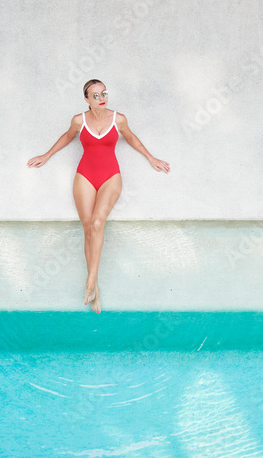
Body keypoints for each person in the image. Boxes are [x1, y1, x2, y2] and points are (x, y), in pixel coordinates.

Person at [27, 79, 170, 313]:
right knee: (87, 229)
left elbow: (131, 138)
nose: (101, 98)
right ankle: (96, 290)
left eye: (104, 93)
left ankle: (90, 281)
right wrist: (47, 154)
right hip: (85, 175)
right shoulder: (78, 120)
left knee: (97, 223)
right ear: (86, 99)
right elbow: (67, 136)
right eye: (95, 95)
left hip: (110, 176)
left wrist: (151, 158)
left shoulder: (119, 119)